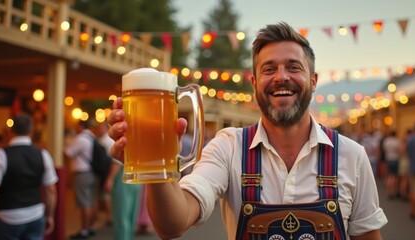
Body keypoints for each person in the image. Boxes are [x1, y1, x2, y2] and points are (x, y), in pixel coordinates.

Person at [108, 22, 387, 240]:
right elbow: (173, 225)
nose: (281, 76)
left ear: (313, 81)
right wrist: (159, 165)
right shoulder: (228, 147)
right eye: (269, 69)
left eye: (293, 67)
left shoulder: (352, 156)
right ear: (254, 83)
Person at [0, 113, 58, 239]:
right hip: (36, 214)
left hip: (8, 217)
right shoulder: (43, 154)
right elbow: (51, 190)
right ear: (31, 132)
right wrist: (50, 216)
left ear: (10, 131)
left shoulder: (0, 155)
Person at [101, 122, 141, 240]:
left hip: (123, 177)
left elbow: (116, 162)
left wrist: (110, 179)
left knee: (121, 213)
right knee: (132, 213)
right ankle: (128, 236)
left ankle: (123, 238)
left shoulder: (121, 138)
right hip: (137, 177)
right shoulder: (138, 138)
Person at [64, 120, 98, 239]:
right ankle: (91, 226)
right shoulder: (93, 137)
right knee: (92, 201)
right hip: (93, 173)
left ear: (80, 127)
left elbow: (68, 153)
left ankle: (84, 230)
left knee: (85, 203)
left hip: (82, 174)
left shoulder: (80, 139)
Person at [382, 130, 401, 199]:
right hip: (395, 159)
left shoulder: (386, 141)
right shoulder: (397, 141)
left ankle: (388, 191)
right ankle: (392, 191)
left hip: (388, 158)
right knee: (394, 176)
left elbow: (384, 149)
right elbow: (399, 150)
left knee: (389, 176)